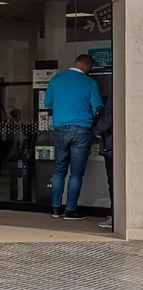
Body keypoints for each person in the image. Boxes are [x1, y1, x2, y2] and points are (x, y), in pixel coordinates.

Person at [44, 54, 103, 221]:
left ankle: (56, 209)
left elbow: (47, 103)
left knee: (59, 171)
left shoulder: (56, 80)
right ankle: (70, 210)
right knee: (76, 173)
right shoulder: (89, 82)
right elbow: (98, 108)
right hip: (81, 130)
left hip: (60, 129)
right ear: (88, 66)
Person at [94, 95, 113, 230]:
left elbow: (110, 117)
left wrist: (98, 129)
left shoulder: (115, 95)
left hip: (112, 146)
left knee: (113, 182)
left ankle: (115, 215)